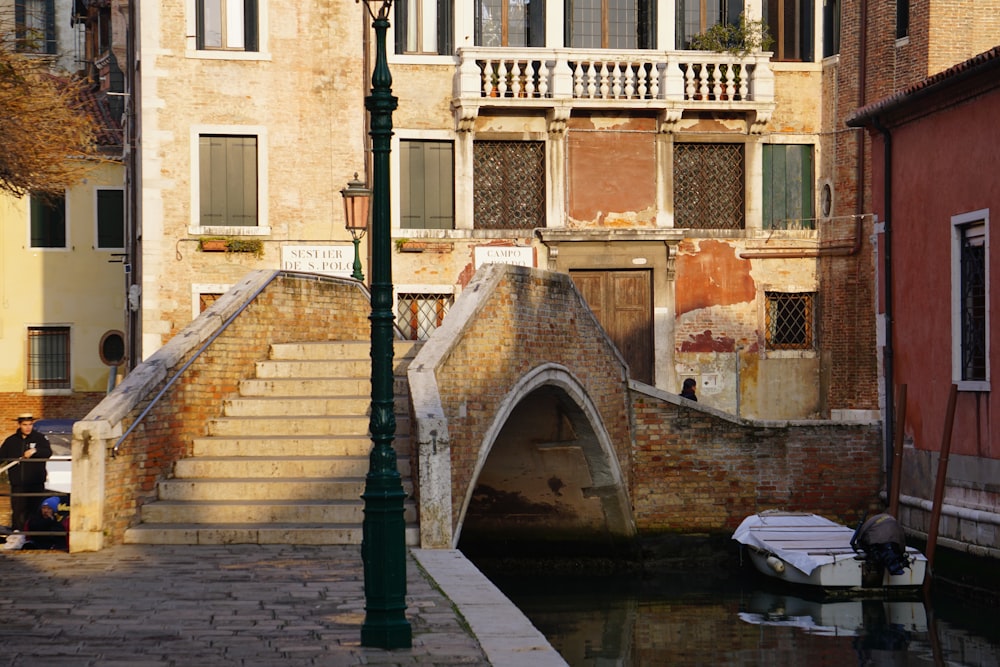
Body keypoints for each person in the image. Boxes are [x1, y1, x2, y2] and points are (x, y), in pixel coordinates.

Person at [0, 414, 52, 530]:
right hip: (18, 484)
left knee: (34, 511)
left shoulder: (40, 439)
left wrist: (35, 450)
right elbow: (1, 457)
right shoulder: (11, 441)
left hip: (35, 483)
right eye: (25, 425)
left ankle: (33, 536)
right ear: (19, 425)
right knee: (18, 512)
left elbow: (47, 453)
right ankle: (17, 535)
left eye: (30, 424)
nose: (28, 427)